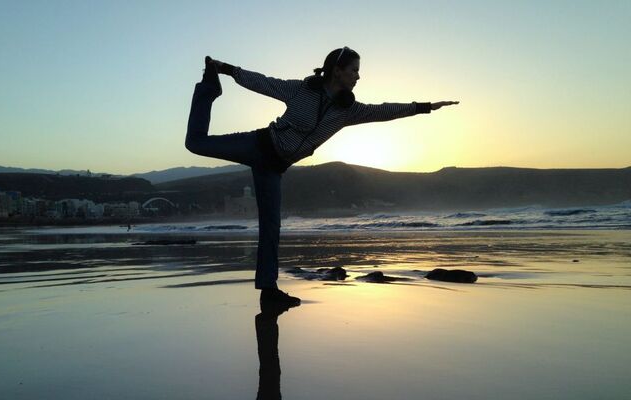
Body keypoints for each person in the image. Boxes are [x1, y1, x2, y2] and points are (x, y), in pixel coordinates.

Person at [185, 47, 459, 307]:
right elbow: (263, 82)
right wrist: (226, 69)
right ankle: (209, 89)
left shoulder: (348, 111)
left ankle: (268, 292)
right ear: (337, 70)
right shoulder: (301, 90)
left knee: (272, 228)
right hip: (258, 145)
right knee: (195, 143)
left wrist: (423, 107)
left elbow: (383, 110)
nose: (358, 76)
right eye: (354, 70)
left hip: (274, 168)